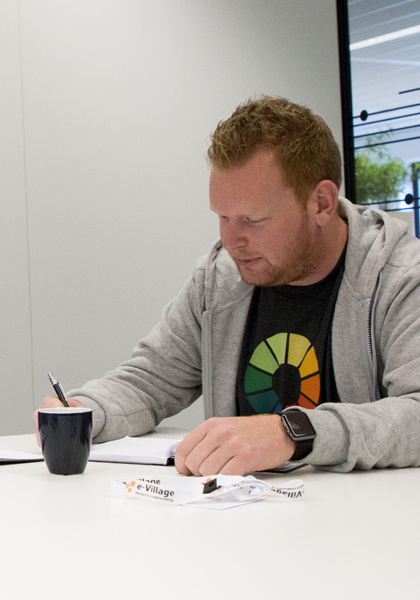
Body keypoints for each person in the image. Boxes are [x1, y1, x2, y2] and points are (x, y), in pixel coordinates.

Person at [34, 95, 420, 475]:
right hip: (241, 509)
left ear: (321, 203)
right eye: (222, 217)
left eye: (254, 219)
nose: (231, 241)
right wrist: (85, 409)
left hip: (367, 513)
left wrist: (292, 431)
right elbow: (151, 380)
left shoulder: (402, 277)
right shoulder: (220, 278)